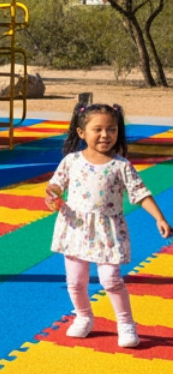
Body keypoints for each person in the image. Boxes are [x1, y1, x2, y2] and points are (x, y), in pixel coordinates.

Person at [45, 103, 170, 349]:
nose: (105, 135)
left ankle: (125, 324)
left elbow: (140, 193)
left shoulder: (121, 165)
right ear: (82, 133)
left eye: (111, 129)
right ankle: (83, 316)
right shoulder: (71, 161)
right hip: (76, 228)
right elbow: (56, 185)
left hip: (107, 230)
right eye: (98, 129)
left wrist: (159, 217)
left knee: (111, 279)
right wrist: (53, 196)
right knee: (75, 282)